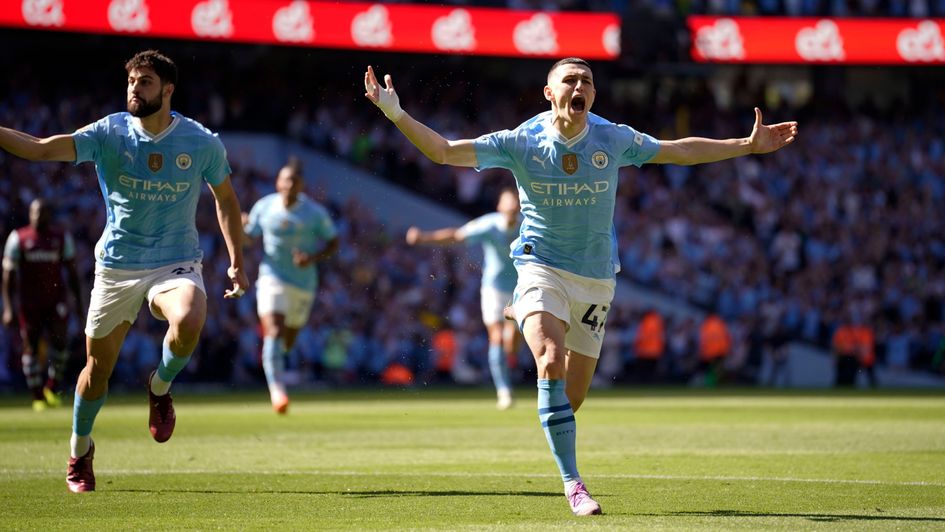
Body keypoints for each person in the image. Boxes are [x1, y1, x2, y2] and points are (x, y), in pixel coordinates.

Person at [364, 57, 798, 516]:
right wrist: (395, 113)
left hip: (594, 279)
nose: (579, 85)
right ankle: (574, 484)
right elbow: (445, 151)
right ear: (549, 93)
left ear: (593, 95)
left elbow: (679, 151)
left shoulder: (611, 138)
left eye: (587, 81)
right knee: (548, 360)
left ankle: (525, 313)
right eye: (569, 79)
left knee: (571, 400)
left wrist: (746, 146)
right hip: (540, 266)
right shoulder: (521, 142)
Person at [0, 50, 249, 493]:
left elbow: (226, 200)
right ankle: (80, 451)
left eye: (146, 82)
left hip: (175, 261)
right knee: (98, 371)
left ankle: (159, 386)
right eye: (132, 81)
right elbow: (39, 149)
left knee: (191, 316)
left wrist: (236, 260)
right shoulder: (108, 131)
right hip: (116, 266)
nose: (135, 88)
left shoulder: (200, 141)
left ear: (168, 90)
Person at [406, 187, 523, 410]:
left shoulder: (527, 224)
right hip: (494, 289)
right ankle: (504, 391)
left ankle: (508, 363)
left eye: (514, 203)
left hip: (520, 288)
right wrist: (425, 238)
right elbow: (457, 235)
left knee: (511, 345)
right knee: (496, 337)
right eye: (507, 203)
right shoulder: (489, 224)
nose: (511, 207)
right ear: (499, 206)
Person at [242, 158, 339, 414]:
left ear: (301, 186)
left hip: (303, 284)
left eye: (294, 181)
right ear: (277, 182)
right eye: (285, 180)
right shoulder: (264, 207)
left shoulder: (314, 213)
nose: (289, 185)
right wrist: (240, 227)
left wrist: (313, 258)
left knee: (289, 337)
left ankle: (277, 364)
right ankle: (278, 391)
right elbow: (249, 237)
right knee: (273, 330)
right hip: (271, 277)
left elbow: (333, 242)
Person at [2, 198, 85, 410]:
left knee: (61, 342)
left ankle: (51, 386)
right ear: (29, 214)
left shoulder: (61, 237)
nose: (38, 216)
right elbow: (8, 277)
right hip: (29, 304)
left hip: (56, 300)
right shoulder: (18, 238)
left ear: (50, 215)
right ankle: (38, 396)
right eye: (35, 211)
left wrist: (79, 306)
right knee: (31, 345)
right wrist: (9, 308)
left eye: (43, 212)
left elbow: (72, 273)